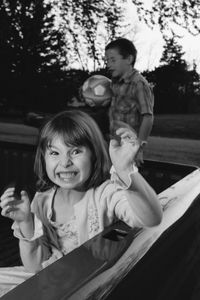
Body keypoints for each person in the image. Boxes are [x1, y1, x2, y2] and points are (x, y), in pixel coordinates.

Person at [0, 110, 162, 296]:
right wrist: (25, 222)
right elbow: (35, 266)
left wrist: (125, 170)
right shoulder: (42, 200)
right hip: (47, 278)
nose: (65, 162)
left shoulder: (106, 194)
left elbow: (151, 219)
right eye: (54, 152)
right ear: (43, 158)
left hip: (87, 285)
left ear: (94, 154)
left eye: (75, 151)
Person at [105, 37, 154, 167]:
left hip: (130, 149)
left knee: (128, 183)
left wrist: (138, 149)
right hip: (115, 145)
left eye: (113, 60)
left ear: (129, 59)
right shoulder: (114, 83)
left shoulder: (138, 83)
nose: (108, 64)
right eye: (107, 60)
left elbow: (148, 117)